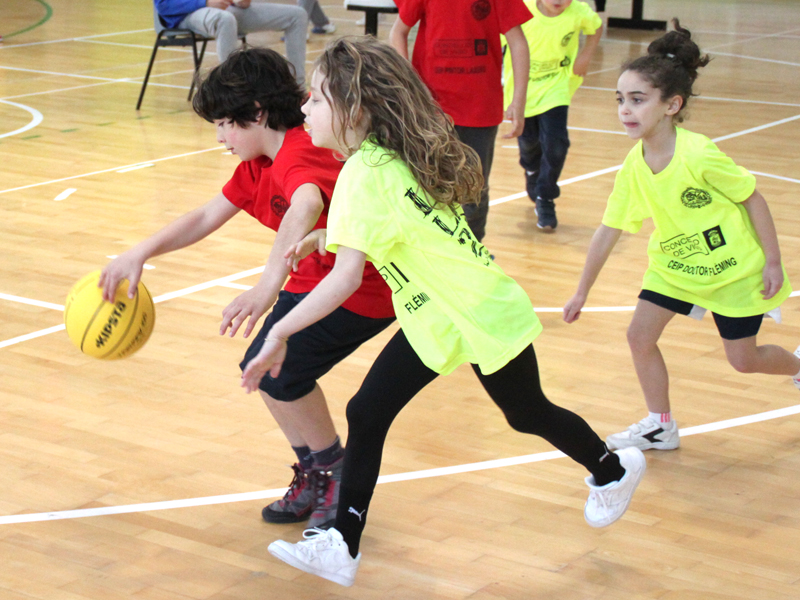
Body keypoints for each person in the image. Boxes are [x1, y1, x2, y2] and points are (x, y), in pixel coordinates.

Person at [240, 36, 646, 587]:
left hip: (476, 308)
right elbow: (398, 227)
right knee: (367, 412)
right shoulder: (382, 156)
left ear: (354, 111)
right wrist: (327, 236)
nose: (305, 107)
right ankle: (342, 545)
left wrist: (280, 332)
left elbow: (345, 278)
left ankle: (613, 469)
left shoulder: (363, 172)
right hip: (438, 310)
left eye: (316, 97)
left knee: (526, 412)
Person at [99, 48, 394, 530]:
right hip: (314, 280)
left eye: (224, 125)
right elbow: (205, 216)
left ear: (256, 114)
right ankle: (315, 469)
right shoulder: (259, 164)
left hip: (362, 288)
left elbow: (305, 203)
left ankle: (334, 474)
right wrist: (140, 252)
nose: (220, 137)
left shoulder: (300, 149)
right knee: (262, 368)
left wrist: (265, 288)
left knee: (282, 374)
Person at [563, 21, 800, 452]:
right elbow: (609, 228)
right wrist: (582, 291)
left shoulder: (699, 153)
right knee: (639, 336)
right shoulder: (634, 165)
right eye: (620, 99)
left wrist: (772, 260)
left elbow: (753, 198)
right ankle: (661, 425)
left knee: (744, 360)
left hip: (732, 272)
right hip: (675, 267)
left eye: (638, 99)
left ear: (672, 105)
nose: (625, 110)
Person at [389, 0, 532, 243]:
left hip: (480, 110)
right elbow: (397, 33)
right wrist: (412, 88)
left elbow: (518, 42)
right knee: (427, 184)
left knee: (474, 189)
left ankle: (473, 250)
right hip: (431, 110)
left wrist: (518, 101)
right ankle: (430, 250)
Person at [502, 0, 602, 231]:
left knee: (557, 144)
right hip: (522, 91)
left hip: (557, 87)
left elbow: (596, 27)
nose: (559, 1)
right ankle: (531, 169)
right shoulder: (520, 9)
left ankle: (545, 196)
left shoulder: (578, 12)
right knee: (529, 144)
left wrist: (586, 55)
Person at [153, 0, 308, 85]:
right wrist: (205, 2)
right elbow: (163, 5)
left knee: (297, 15)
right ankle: (233, 89)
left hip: (226, 9)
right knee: (225, 20)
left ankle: (297, 90)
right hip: (186, 14)